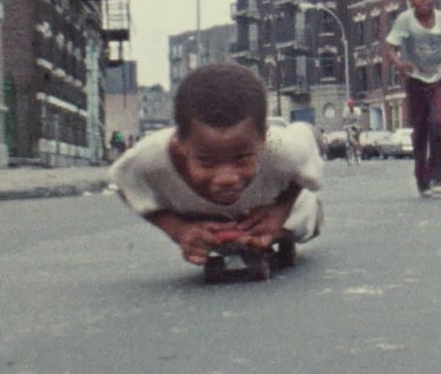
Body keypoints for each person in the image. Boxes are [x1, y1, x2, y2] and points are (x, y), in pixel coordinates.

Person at [110, 63, 323, 267]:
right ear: (180, 143)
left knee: (303, 215)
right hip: (204, 219)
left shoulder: (281, 147)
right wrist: (176, 229)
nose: (226, 178)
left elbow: (311, 140)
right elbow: (122, 181)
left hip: (279, 207)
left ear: (262, 139)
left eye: (241, 158)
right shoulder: (152, 155)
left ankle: (283, 233)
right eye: (206, 161)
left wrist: (281, 210)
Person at [385, 0, 441, 198]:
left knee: (437, 122)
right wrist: (399, 64)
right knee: (420, 132)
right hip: (416, 80)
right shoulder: (404, 20)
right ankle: (422, 180)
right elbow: (390, 47)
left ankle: (439, 174)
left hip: (440, 77)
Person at [342, 99, 362, 165]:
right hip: (348, 126)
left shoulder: (357, 110)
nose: (351, 107)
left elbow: (359, 119)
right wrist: (343, 126)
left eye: (352, 106)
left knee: (357, 140)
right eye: (349, 106)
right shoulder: (346, 111)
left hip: (355, 125)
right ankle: (349, 155)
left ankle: (358, 154)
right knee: (348, 141)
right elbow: (344, 120)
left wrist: (359, 126)